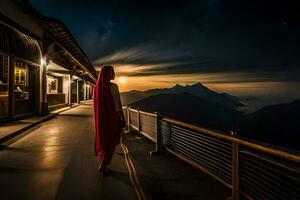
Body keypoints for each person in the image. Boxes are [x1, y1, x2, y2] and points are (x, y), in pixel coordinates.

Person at [93, 65, 126, 175]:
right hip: (112, 119)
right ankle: (103, 166)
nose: (114, 73)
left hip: (101, 120)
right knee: (111, 141)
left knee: (104, 140)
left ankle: (104, 164)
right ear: (107, 74)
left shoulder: (96, 88)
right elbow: (118, 106)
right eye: (112, 72)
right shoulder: (113, 87)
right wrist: (123, 119)